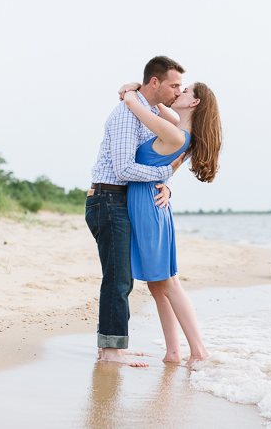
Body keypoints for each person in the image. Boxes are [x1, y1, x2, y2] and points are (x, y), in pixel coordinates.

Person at [85, 56, 186, 367]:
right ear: (155, 82)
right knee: (118, 279)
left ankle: (111, 347)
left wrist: (166, 184)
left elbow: (177, 129)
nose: (178, 92)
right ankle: (111, 352)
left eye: (182, 87)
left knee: (120, 276)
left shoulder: (144, 110)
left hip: (118, 200)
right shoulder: (129, 116)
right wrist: (164, 175)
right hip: (108, 199)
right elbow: (125, 168)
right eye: (174, 85)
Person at [120, 80, 222, 367]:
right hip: (150, 200)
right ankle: (173, 352)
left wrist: (131, 89)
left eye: (185, 91)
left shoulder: (176, 132)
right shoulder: (178, 127)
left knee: (168, 282)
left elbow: (133, 104)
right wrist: (167, 183)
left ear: (194, 103)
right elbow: (165, 165)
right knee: (157, 285)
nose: (179, 92)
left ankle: (199, 351)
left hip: (148, 205)